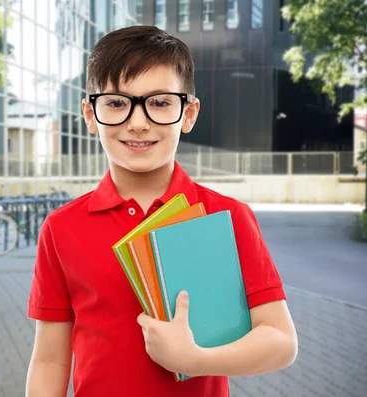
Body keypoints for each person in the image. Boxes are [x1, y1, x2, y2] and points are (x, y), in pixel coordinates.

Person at [25, 25, 298, 397]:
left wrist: (194, 359)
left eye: (159, 102)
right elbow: (49, 360)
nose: (138, 122)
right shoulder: (61, 228)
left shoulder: (226, 217)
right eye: (117, 103)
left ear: (188, 113)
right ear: (90, 115)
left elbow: (281, 341)